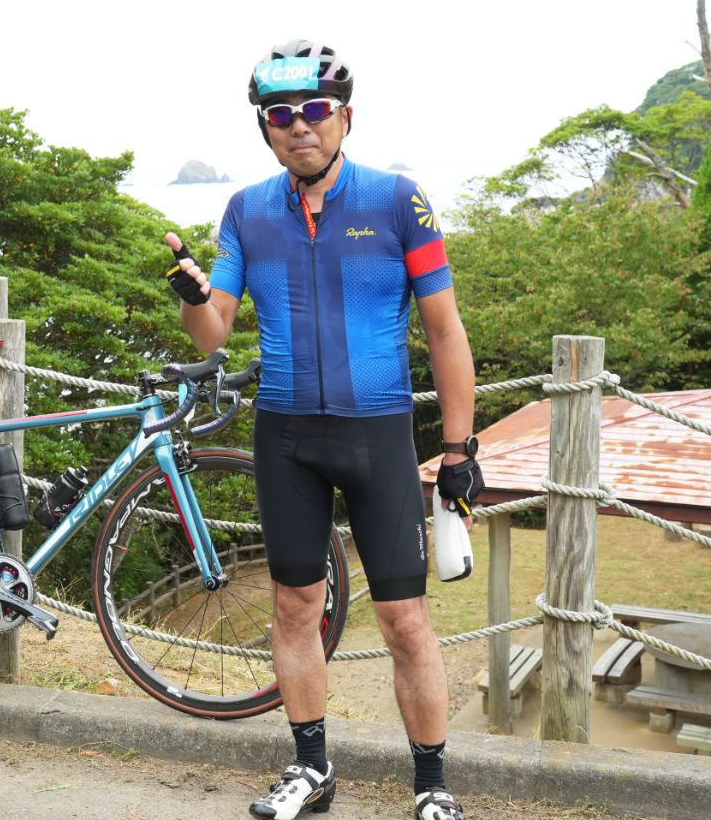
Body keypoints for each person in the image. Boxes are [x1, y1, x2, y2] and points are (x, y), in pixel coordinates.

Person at [163, 40, 483, 820]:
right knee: (294, 608)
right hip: (287, 439)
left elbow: (445, 331)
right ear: (266, 128)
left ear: (344, 118)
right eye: (280, 115)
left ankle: (433, 785)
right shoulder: (247, 211)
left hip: (377, 435)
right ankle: (311, 769)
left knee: (406, 620)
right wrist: (190, 292)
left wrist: (459, 448)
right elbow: (214, 333)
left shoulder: (397, 200)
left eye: (313, 111)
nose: (298, 126)